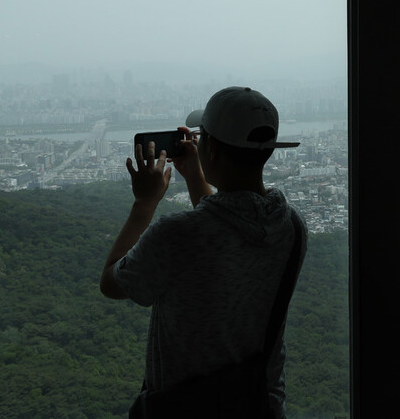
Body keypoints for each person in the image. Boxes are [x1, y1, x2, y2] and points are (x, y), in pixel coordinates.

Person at [99, 86, 306, 418]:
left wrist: (144, 203)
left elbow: (112, 283)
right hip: (259, 403)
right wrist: (196, 174)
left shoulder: (175, 233)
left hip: (186, 407)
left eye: (203, 136)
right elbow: (221, 231)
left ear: (214, 150)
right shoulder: (291, 226)